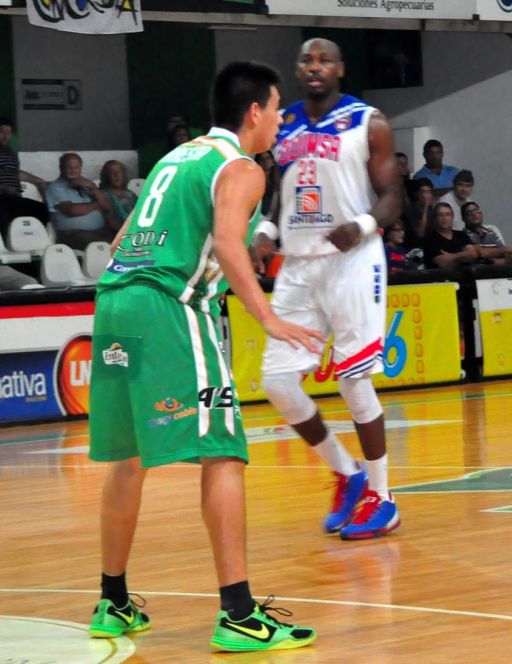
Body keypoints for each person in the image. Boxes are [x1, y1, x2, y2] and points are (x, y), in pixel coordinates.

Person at [87, 61, 321, 652]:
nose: (280, 120)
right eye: (277, 109)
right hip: (168, 307)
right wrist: (268, 317)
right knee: (223, 450)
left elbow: (119, 243)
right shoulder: (240, 167)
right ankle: (238, 614)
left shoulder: (177, 158)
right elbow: (225, 242)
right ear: (254, 111)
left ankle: (113, 601)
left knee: (129, 457)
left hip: (114, 303)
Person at [252, 38, 403, 541]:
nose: (314, 67)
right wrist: (266, 233)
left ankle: (383, 498)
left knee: (354, 381)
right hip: (298, 264)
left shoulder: (368, 121)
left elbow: (392, 196)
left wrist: (361, 225)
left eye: (324, 60)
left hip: (352, 261)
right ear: (297, 70)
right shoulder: (284, 122)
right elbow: (280, 194)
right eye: (306, 60)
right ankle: (346, 473)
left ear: (340, 68)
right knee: (277, 381)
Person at [46, 153, 115, 249]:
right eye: (69, 167)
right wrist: (96, 205)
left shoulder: (86, 185)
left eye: (76, 168)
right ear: (61, 168)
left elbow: (107, 206)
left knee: (126, 240)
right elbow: (72, 210)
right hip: (72, 234)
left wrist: (93, 187)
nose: (73, 171)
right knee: (102, 246)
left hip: (100, 230)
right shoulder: (54, 187)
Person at [0, 117, 50, 236]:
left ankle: (36, 242)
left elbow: (16, 173)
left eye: (8, 133)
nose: (5, 136)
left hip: (15, 198)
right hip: (1, 198)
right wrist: (3, 188)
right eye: (2, 132)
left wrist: (37, 180)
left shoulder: (12, 153)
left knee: (44, 210)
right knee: (5, 214)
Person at [422, 202, 477, 269]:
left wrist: (451, 256)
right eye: (440, 215)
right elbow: (443, 263)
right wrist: (464, 255)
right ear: (435, 218)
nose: (444, 218)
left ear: (452, 217)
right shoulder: (429, 239)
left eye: (447, 214)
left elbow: (473, 254)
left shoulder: (461, 235)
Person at [99, 160, 139, 231]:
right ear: (107, 176)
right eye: (112, 172)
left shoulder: (131, 194)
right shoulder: (103, 195)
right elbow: (109, 220)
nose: (116, 175)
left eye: (119, 172)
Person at [402, 176, 433, 249]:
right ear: (416, 194)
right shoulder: (409, 210)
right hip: (414, 248)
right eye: (423, 192)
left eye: (428, 192)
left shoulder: (433, 208)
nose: (426, 195)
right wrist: (426, 208)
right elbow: (420, 233)